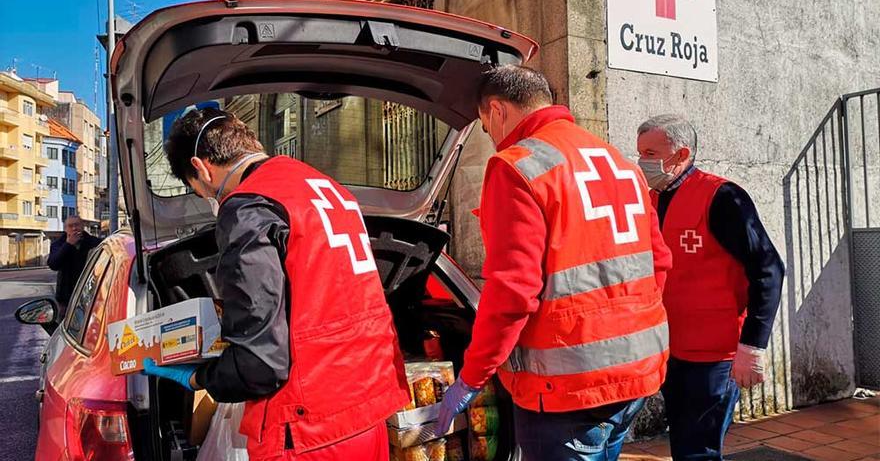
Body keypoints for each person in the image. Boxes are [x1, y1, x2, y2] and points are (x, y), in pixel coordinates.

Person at [141, 108, 409, 461]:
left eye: (197, 189)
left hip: (307, 430)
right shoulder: (326, 187)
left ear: (202, 167)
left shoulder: (248, 206)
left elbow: (261, 366)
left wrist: (199, 377)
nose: (208, 197)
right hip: (369, 411)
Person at [435, 65, 673, 461]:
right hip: (638, 373)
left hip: (568, 390)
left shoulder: (517, 166)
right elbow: (659, 263)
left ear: (496, 110)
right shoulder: (619, 163)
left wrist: (473, 375)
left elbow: (512, 293)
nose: (491, 136)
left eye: (484, 125)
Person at [635, 114, 784, 460]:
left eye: (650, 152)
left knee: (699, 449)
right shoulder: (651, 200)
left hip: (715, 356)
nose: (642, 162)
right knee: (683, 445)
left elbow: (769, 268)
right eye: (639, 152)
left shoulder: (722, 197)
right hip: (671, 349)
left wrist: (752, 346)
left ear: (681, 154)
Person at [47, 215, 101, 311]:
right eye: (70, 226)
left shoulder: (95, 243)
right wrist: (68, 244)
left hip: (91, 295)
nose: (74, 228)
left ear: (83, 226)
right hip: (66, 298)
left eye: (77, 225)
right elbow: (53, 264)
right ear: (65, 229)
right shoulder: (58, 244)